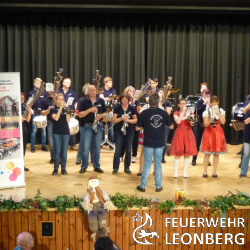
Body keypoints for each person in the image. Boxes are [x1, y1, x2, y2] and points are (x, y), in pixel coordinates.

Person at [136, 93, 173, 192]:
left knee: (147, 164)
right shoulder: (164, 113)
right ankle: (158, 186)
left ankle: (142, 186)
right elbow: (171, 126)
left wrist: (146, 126)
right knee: (158, 164)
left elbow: (137, 127)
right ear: (157, 102)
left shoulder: (144, 113)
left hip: (148, 141)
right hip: (160, 142)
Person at [78, 85, 107, 174]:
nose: (93, 92)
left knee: (97, 148)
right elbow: (80, 114)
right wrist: (90, 110)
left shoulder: (101, 101)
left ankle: (96, 166)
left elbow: (106, 112)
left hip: (98, 125)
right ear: (88, 92)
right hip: (88, 126)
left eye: (94, 90)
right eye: (91, 90)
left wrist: (101, 116)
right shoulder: (83, 101)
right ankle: (84, 166)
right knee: (86, 148)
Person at [170, 98, 197, 178]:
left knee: (187, 154)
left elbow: (192, 124)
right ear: (178, 105)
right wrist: (183, 113)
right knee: (178, 153)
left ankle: (185, 172)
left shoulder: (190, 113)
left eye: (184, 103)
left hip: (188, 133)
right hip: (179, 133)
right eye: (181, 103)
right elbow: (178, 121)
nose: (183, 105)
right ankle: (175, 172)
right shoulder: (176, 113)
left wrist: (189, 115)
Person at [201, 95, 226, 178]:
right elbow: (205, 124)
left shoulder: (221, 111)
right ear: (210, 103)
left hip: (218, 132)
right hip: (209, 132)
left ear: (218, 102)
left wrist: (218, 113)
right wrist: (211, 119)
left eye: (216, 102)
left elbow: (223, 122)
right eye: (213, 102)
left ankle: (214, 171)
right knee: (207, 154)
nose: (214, 103)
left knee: (216, 153)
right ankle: (205, 171)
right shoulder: (206, 112)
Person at [112, 92, 137, 175]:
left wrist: (128, 120)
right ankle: (115, 168)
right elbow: (114, 120)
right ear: (121, 100)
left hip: (129, 130)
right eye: (123, 100)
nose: (125, 101)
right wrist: (121, 118)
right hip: (119, 131)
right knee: (118, 149)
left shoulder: (132, 108)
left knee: (128, 149)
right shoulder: (117, 107)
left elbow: (135, 120)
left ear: (129, 100)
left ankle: (127, 168)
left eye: (126, 100)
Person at [50, 93, 70, 175]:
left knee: (64, 152)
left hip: (65, 132)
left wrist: (67, 111)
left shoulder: (66, 109)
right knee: (57, 151)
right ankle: (56, 168)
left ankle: (63, 168)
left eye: (62, 99)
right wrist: (60, 108)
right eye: (60, 99)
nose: (62, 101)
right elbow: (56, 118)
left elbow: (68, 120)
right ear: (56, 100)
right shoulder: (53, 109)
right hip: (56, 132)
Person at [192, 86, 211, 166]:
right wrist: (204, 103)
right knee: (197, 142)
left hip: (208, 124)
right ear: (202, 94)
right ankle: (194, 158)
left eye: (208, 94)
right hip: (200, 124)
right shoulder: (200, 101)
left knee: (207, 143)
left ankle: (207, 160)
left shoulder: (211, 102)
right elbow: (198, 111)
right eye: (205, 94)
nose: (206, 96)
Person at [29, 78, 48, 153]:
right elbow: (29, 103)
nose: (38, 85)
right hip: (35, 113)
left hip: (43, 113)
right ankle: (32, 146)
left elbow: (46, 103)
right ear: (34, 84)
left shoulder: (44, 93)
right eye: (36, 83)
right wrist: (31, 109)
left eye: (39, 83)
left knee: (43, 130)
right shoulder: (31, 93)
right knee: (34, 130)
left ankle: (43, 145)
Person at [58, 78, 78, 150]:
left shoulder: (72, 92)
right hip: (60, 112)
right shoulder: (58, 91)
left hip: (70, 112)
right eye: (67, 82)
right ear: (63, 83)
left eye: (70, 83)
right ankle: (62, 145)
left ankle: (72, 144)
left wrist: (76, 110)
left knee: (72, 128)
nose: (69, 84)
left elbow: (76, 102)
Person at [123, 86, 141, 163]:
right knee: (124, 139)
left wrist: (137, 103)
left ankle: (134, 155)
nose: (131, 93)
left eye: (133, 92)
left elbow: (139, 111)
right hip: (125, 122)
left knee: (135, 140)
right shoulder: (124, 100)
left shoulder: (137, 101)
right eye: (130, 91)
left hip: (134, 122)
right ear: (126, 92)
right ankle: (122, 155)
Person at [99, 76, 116, 146]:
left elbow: (114, 98)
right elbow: (101, 98)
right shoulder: (101, 90)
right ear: (105, 83)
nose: (111, 83)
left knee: (111, 127)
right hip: (102, 110)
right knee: (100, 127)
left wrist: (114, 100)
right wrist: (108, 98)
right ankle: (100, 143)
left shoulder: (113, 90)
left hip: (110, 109)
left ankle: (111, 143)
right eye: (110, 82)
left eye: (111, 82)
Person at [159, 88, 172, 163]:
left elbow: (168, 114)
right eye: (159, 92)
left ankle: (162, 157)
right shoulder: (155, 102)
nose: (161, 94)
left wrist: (162, 107)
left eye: (162, 93)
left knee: (164, 140)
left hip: (165, 124)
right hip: (157, 123)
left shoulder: (167, 102)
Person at [41, 90, 54, 164]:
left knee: (59, 141)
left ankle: (60, 157)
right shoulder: (44, 100)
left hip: (59, 122)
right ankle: (53, 157)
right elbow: (42, 113)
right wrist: (48, 110)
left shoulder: (58, 98)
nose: (51, 91)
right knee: (51, 141)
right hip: (50, 122)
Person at [21, 92, 32, 171]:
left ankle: (22, 164)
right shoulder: (14, 106)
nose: (22, 100)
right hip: (15, 129)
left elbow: (28, 120)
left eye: (23, 98)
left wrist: (29, 111)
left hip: (24, 129)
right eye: (20, 98)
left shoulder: (25, 106)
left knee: (23, 148)